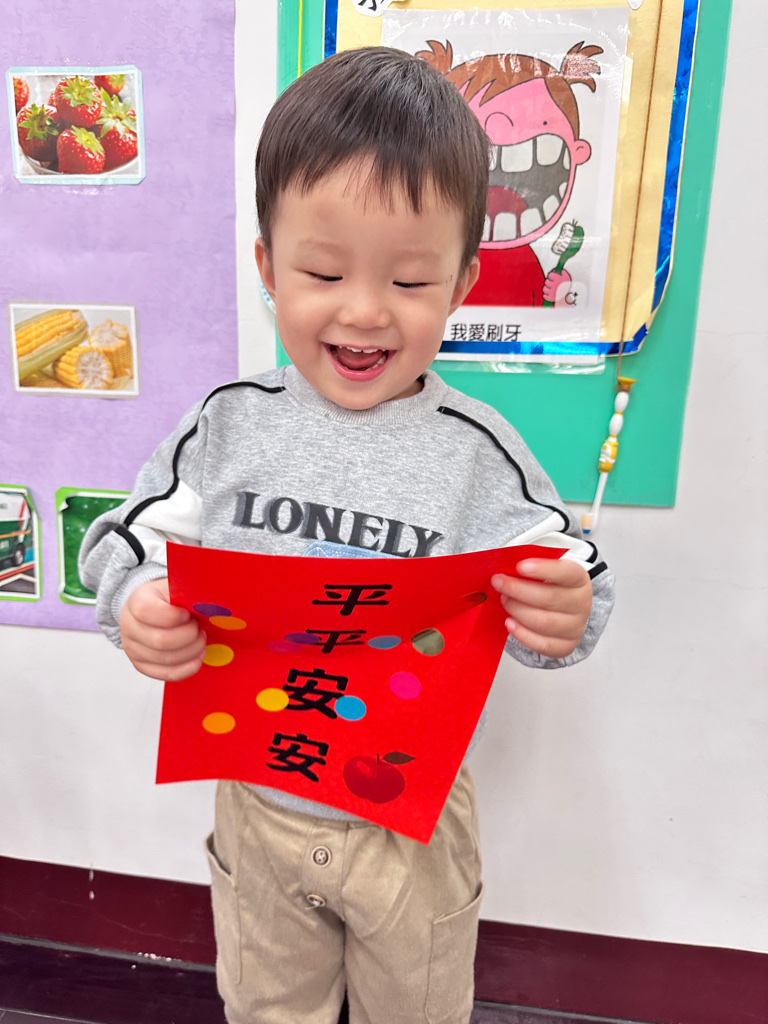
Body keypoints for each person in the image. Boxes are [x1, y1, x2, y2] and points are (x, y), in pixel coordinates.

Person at [80, 46, 614, 1024]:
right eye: (324, 271)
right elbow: (119, 539)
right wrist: (137, 603)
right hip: (261, 807)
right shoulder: (228, 425)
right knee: (268, 1009)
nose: (364, 311)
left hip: (411, 825)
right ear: (267, 267)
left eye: (409, 281)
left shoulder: (477, 453)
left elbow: (569, 575)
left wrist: (563, 612)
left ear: (460, 284)